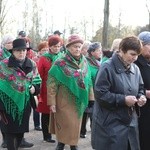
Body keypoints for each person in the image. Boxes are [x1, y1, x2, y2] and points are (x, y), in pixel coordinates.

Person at [91, 36, 147, 150]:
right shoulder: (106, 67)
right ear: (121, 50)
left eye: (137, 55)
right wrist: (123, 100)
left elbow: (140, 88)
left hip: (130, 123)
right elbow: (100, 94)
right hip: (109, 124)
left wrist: (141, 97)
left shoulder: (135, 69)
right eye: (132, 54)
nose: (135, 58)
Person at [47, 34, 94, 150]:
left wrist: (91, 97)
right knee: (63, 123)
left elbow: (89, 81)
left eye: (79, 46)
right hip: (64, 100)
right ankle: (61, 143)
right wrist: (51, 102)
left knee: (75, 124)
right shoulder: (60, 63)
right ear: (68, 48)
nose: (77, 49)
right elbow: (52, 83)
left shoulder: (84, 62)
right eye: (74, 47)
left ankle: (73, 144)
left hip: (78, 101)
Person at [0, 38, 41, 150]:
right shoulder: (3, 65)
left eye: (23, 50)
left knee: (19, 134)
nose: (21, 52)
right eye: (18, 50)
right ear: (13, 52)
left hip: (25, 104)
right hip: (7, 105)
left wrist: (35, 88)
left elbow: (37, 81)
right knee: (10, 134)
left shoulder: (32, 64)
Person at [36, 35, 63, 143]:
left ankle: (59, 134)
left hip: (60, 89)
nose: (57, 48)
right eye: (54, 46)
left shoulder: (62, 57)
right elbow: (39, 74)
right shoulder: (44, 58)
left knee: (59, 112)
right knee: (46, 112)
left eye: (59, 46)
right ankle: (46, 135)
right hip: (46, 89)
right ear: (50, 47)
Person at [80, 42, 102, 138]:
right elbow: (86, 76)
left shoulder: (98, 62)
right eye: (98, 50)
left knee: (94, 114)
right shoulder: (86, 62)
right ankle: (82, 130)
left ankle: (94, 133)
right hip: (88, 91)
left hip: (97, 91)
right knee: (86, 112)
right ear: (92, 52)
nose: (100, 52)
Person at [134, 31, 150, 150]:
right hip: (139, 111)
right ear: (141, 45)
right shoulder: (134, 62)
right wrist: (145, 93)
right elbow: (126, 86)